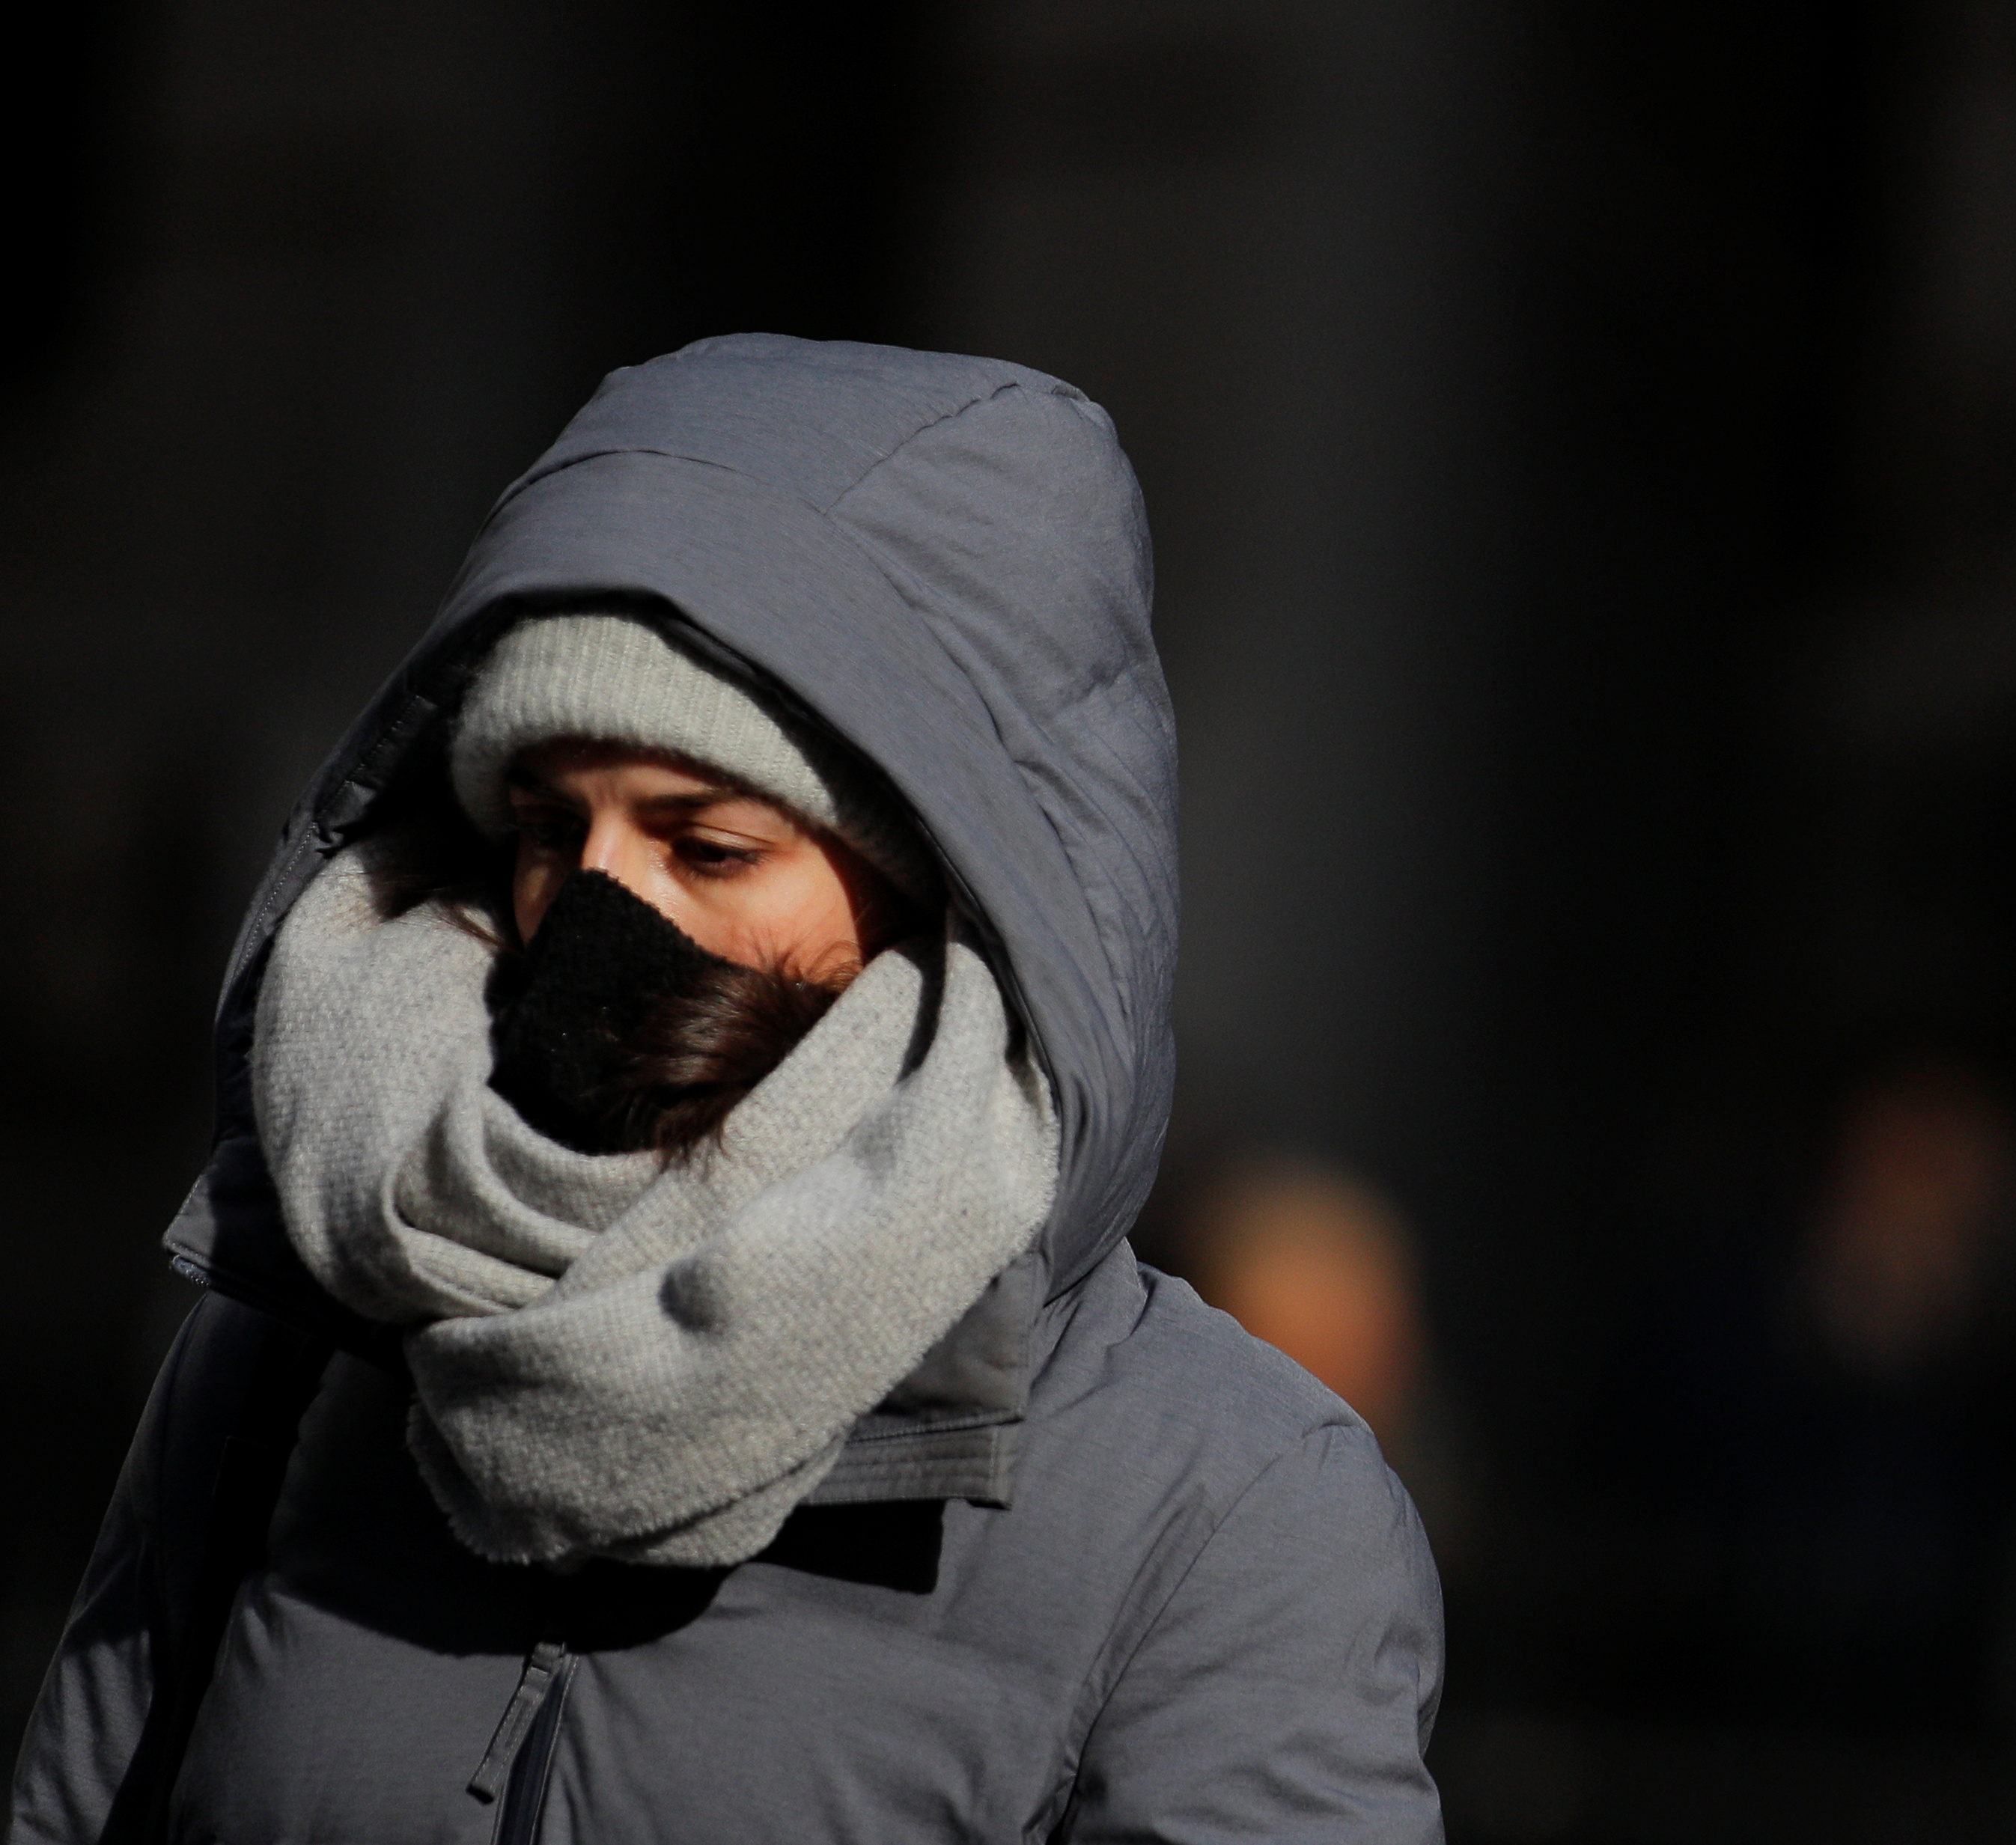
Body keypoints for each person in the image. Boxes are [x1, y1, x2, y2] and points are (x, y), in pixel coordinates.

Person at [6, 337, 1444, 1844]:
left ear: (944, 899)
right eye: (551, 828)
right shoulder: (291, 1354)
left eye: (707, 850)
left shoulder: (1222, 1518)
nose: (589, 915)